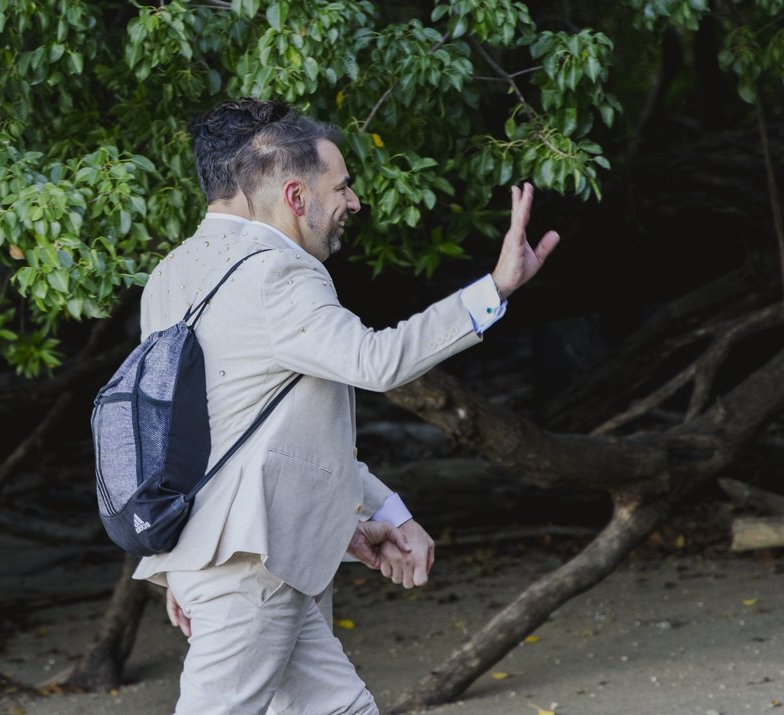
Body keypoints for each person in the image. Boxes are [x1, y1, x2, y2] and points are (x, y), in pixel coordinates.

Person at [137, 110, 559, 715]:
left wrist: (181, 566)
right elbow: (376, 359)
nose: (354, 202)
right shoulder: (276, 270)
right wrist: (494, 288)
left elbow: (207, 437)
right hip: (252, 572)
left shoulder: (170, 275)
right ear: (294, 194)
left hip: (236, 563)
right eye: (341, 186)